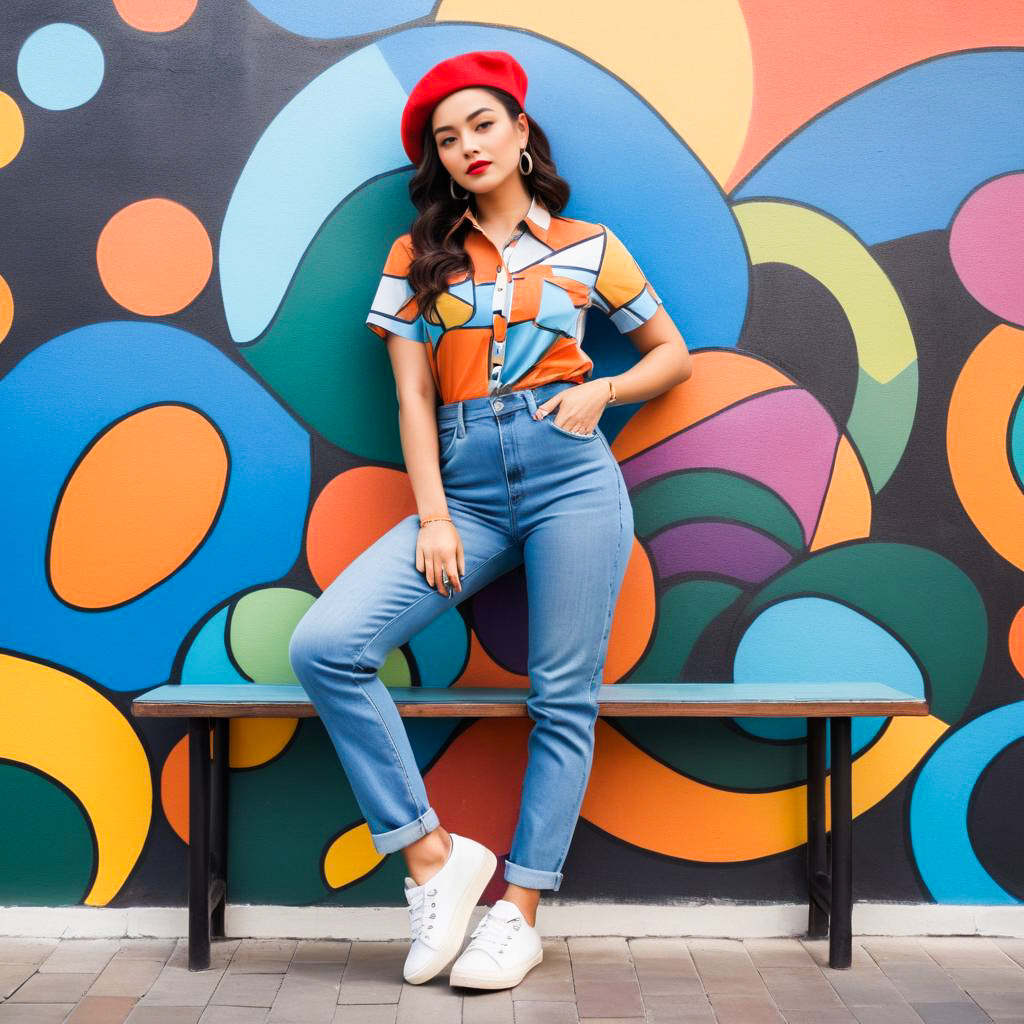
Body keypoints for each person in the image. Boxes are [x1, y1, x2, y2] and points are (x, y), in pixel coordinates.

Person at [288, 49, 692, 991]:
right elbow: (412, 401)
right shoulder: (417, 258)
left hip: (571, 478)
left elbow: (672, 354)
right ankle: (432, 859)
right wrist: (433, 515)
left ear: (519, 132)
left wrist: (608, 391)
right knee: (327, 646)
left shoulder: (588, 246)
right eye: (446, 136)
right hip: (464, 491)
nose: (467, 145)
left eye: (481, 124)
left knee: (563, 696)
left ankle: (520, 912)